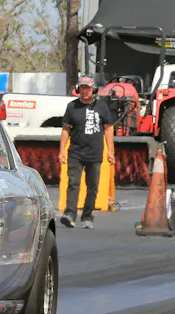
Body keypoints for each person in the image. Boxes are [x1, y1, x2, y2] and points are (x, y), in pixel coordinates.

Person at [59, 75, 115, 229]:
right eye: (82, 88)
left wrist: (110, 151)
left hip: (95, 154)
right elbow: (65, 130)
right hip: (75, 153)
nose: (85, 91)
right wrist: (61, 151)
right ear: (78, 89)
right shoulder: (72, 107)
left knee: (92, 187)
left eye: (88, 88)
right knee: (73, 183)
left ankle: (87, 216)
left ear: (94, 89)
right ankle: (70, 214)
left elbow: (108, 129)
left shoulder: (102, 107)